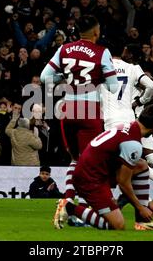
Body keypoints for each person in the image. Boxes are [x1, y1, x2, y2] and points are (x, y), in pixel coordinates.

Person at [40, 15, 119, 210]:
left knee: (75, 159)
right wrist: (99, 78)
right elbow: (114, 87)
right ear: (95, 31)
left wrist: (65, 77)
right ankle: (82, 208)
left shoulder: (64, 49)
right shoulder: (102, 52)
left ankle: (67, 199)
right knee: (90, 161)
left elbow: (44, 77)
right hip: (89, 110)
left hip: (68, 109)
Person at [53, 104, 153, 231]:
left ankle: (142, 222)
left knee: (141, 165)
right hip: (90, 179)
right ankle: (68, 207)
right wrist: (142, 208)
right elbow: (123, 183)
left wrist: (147, 202)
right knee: (118, 225)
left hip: (96, 172)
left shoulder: (128, 126)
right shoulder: (133, 144)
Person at [101, 46, 153, 209]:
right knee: (150, 156)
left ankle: (120, 197)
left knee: (116, 163)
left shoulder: (103, 70)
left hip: (112, 121)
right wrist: (140, 101)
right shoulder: (133, 69)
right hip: (132, 119)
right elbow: (152, 87)